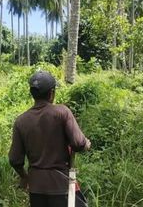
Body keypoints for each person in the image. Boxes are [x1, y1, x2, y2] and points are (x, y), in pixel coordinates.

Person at [9, 71, 91, 207]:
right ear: (51, 93)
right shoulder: (62, 112)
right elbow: (78, 143)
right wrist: (86, 144)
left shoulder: (21, 121)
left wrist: (24, 176)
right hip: (60, 186)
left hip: (36, 189)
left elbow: (14, 159)